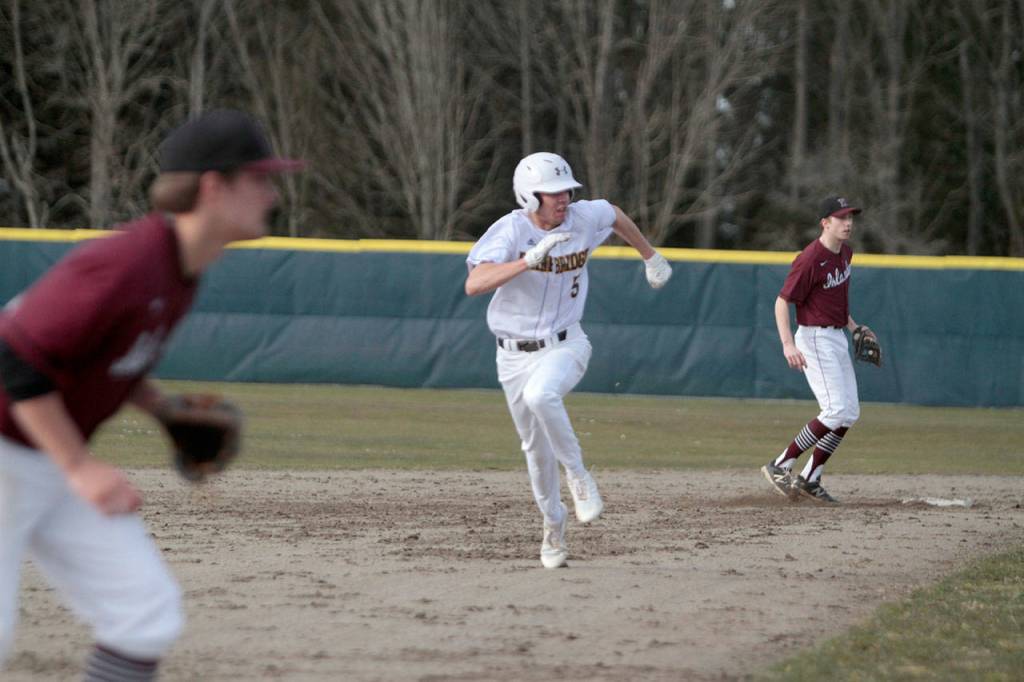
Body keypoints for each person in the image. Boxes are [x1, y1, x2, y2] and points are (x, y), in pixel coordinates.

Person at [0, 109, 302, 680]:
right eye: (259, 178)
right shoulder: (128, 263)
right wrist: (81, 468)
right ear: (213, 187)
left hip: (41, 458)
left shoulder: (182, 267)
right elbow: (14, 359)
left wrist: (161, 408)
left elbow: (103, 358)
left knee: (144, 614)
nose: (272, 193)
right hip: (13, 452)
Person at [465, 152, 672, 569]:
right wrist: (526, 261)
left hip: (567, 343)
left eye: (566, 191)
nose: (563, 199)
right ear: (530, 196)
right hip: (513, 355)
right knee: (535, 451)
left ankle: (578, 475)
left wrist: (650, 256)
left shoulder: (583, 218)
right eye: (553, 193)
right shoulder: (511, 229)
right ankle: (553, 526)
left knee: (542, 395)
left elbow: (613, 213)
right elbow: (475, 283)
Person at [761, 195, 874, 504]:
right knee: (835, 409)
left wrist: (855, 328)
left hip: (837, 336)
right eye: (841, 217)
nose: (848, 223)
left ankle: (811, 477)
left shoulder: (845, 253)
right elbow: (782, 301)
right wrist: (787, 344)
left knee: (849, 412)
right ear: (825, 223)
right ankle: (781, 464)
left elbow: (834, 301)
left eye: (850, 217)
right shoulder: (810, 258)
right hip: (814, 338)